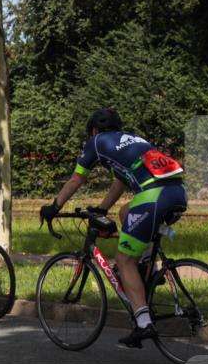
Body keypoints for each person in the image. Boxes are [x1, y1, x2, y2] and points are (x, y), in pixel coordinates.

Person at [40, 108, 188, 348]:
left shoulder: (96, 142)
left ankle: (143, 323)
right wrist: (102, 209)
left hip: (153, 197)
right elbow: (120, 181)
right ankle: (148, 267)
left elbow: (78, 179)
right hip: (177, 193)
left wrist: (54, 206)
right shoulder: (134, 140)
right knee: (125, 212)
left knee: (124, 259)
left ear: (94, 130)